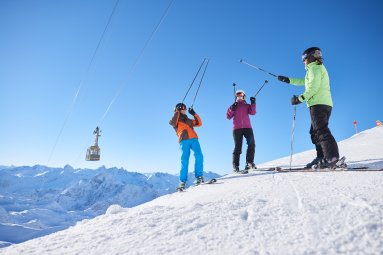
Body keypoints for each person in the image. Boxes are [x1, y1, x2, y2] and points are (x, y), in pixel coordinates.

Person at [277, 47, 340, 168]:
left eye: (304, 59)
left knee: (321, 130)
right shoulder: (315, 68)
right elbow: (304, 81)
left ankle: (331, 158)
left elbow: (313, 88)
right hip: (322, 103)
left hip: (318, 104)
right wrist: (288, 80)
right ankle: (322, 157)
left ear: (310, 57)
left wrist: (299, 98)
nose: (303, 61)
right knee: (315, 131)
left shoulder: (315, 68)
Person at [169, 103, 204, 190]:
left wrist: (194, 114)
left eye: (185, 109)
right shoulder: (175, 120)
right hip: (184, 140)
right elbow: (172, 123)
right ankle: (182, 182)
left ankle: (199, 177)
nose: (184, 110)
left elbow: (199, 123)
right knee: (184, 160)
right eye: (182, 109)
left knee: (199, 155)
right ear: (177, 110)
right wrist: (177, 112)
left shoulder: (189, 120)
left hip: (194, 139)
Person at [226, 90, 257, 173]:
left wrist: (253, 103)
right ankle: (235, 166)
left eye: (241, 95)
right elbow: (228, 116)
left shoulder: (247, 105)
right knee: (238, 147)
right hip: (237, 129)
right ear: (236, 97)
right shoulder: (233, 106)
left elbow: (253, 112)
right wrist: (232, 109)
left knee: (251, 144)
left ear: (244, 96)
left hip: (248, 128)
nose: (240, 96)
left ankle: (249, 163)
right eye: (238, 95)